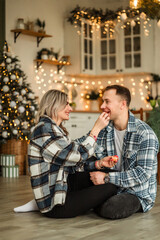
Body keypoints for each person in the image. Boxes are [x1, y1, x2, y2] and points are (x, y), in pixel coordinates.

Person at [14, 89, 117, 218]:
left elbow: (72, 163)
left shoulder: (55, 129)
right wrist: (96, 129)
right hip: (56, 205)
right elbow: (78, 156)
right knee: (111, 187)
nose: (70, 108)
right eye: (66, 104)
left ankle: (37, 203)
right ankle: (40, 203)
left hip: (62, 186)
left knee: (102, 170)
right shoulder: (44, 130)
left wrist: (98, 164)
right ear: (54, 106)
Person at [87, 84, 159, 219]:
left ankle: (91, 202)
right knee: (85, 166)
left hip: (136, 193)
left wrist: (106, 178)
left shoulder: (145, 134)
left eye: (107, 101)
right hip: (112, 187)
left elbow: (142, 174)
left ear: (123, 104)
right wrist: (95, 129)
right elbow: (83, 147)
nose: (102, 106)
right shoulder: (104, 129)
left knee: (111, 209)